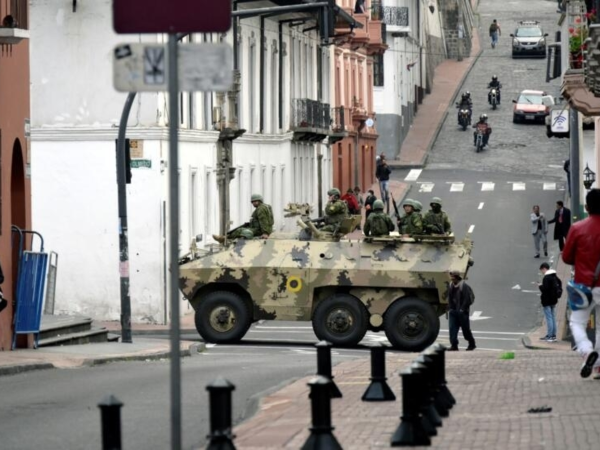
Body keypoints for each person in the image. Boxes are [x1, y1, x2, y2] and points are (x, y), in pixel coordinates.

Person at [563, 189, 600, 378]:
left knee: (577, 323)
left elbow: (567, 257)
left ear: (587, 207)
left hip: (583, 284)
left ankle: (586, 351)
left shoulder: (577, 228)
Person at [447, 270, 476, 351]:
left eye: (453, 277)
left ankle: (472, 343)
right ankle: (454, 345)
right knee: (452, 329)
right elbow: (449, 297)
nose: (452, 279)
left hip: (462, 312)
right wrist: (450, 308)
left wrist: (462, 309)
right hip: (453, 311)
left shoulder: (464, 286)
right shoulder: (451, 285)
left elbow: (467, 299)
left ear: (457, 278)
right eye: (451, 277)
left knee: (465, 330)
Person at [538, 262, 561, 343]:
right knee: (553, 317)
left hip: (547, 300)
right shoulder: (555, 276)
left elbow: (545, 290)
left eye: (542, 271)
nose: (542, 272)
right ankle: (553, 335)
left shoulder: (547, 278)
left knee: (549, 318)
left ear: (544, 268)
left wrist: (540, 286)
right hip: (554, 300)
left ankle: (550, 335)